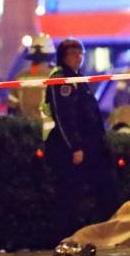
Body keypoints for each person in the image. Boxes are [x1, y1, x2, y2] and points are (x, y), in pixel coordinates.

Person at [45, 38, 122, 237]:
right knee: (70, 195)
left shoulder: (78, 77)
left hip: (92, 146)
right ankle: (65, 236)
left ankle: (109, 232)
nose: (78, 57)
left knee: (106, 188)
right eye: (73, 54)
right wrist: (75, 147)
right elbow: (64, 117)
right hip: (73, 149)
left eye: (81, 53)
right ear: (63, 57)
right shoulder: (62, 79)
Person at [8, 34, 55, 129]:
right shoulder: (56, 76)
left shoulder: (20, 76)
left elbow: (11, 108)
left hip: (27, 131)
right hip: (50, 131)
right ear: (50, 55)